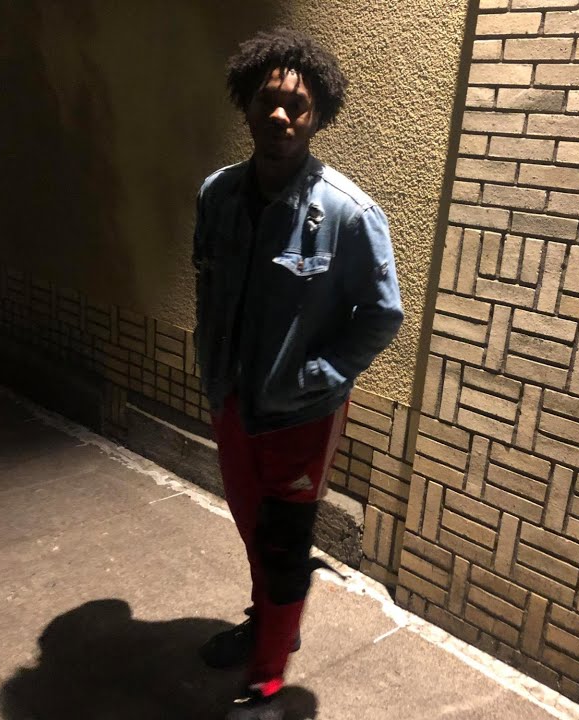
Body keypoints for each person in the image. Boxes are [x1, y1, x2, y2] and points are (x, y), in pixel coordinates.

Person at [190, 26, 404, 720]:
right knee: (254, 528)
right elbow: (208, 285)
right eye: (267, 100)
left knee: (284, 542)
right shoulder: (217, 195)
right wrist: (211, 364)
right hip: (231, 399)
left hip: (302, 415)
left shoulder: (347, 213)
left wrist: (321, 373)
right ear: (247, 105)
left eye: (298, 105)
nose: (280, 114)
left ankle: (268, 684)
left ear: (317, 117)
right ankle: (271, 622)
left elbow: (382, 314)